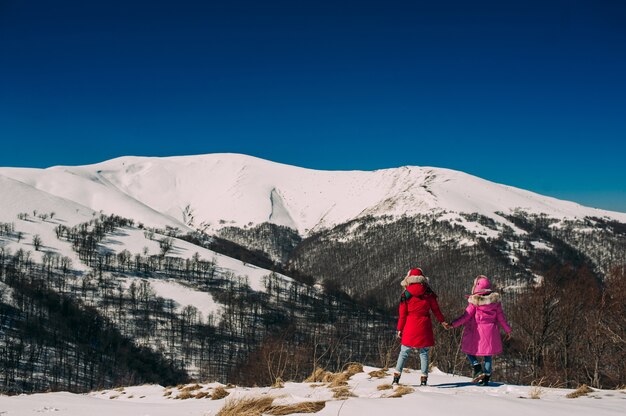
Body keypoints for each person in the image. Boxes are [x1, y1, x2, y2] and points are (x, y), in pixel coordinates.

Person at [445, 275, 512, 386]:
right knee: (488, 355)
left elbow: (465, 316)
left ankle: (477, 367)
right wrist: (508, 330)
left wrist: (452, 324)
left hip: (476, 332)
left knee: (467, 350)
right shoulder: (495, 302)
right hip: (491, 332)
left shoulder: (474, 302)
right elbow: (501, 318)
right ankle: (486, 378)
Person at [393, 268, 447, 386]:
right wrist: (442, 321)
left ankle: (396, 379)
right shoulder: (429, 293)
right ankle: (424, 380)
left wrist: (399, 329)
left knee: (404, 352)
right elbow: (436, 310)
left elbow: (402, 315)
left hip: (410, 325)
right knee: (424, 353)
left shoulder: (405, 294)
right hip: (424, 325)